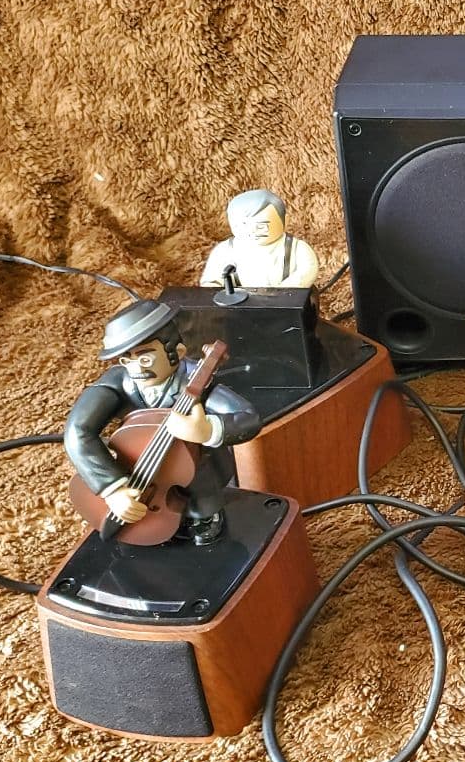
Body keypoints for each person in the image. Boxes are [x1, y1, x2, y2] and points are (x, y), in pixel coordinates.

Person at [64, 299, 261, 545]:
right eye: (126, 360)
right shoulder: (117, 382)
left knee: (198, 479)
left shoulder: (197, 380)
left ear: (177, 352)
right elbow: (78, 430)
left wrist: (207, 429)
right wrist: (112, 488)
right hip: (136, 466)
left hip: (196, 469)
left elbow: (248, 417)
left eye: (145, 358)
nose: (136, 368)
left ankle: (204, 513)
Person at [200, 189, 319, 288]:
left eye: (262, 225)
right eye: (244, 225)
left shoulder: (297, 248)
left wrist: (284, 291)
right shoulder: (224, 251)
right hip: (239, 304)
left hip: (286, 303)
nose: (254, 231)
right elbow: (212, 281)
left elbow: (307, 270)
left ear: (285, 221)